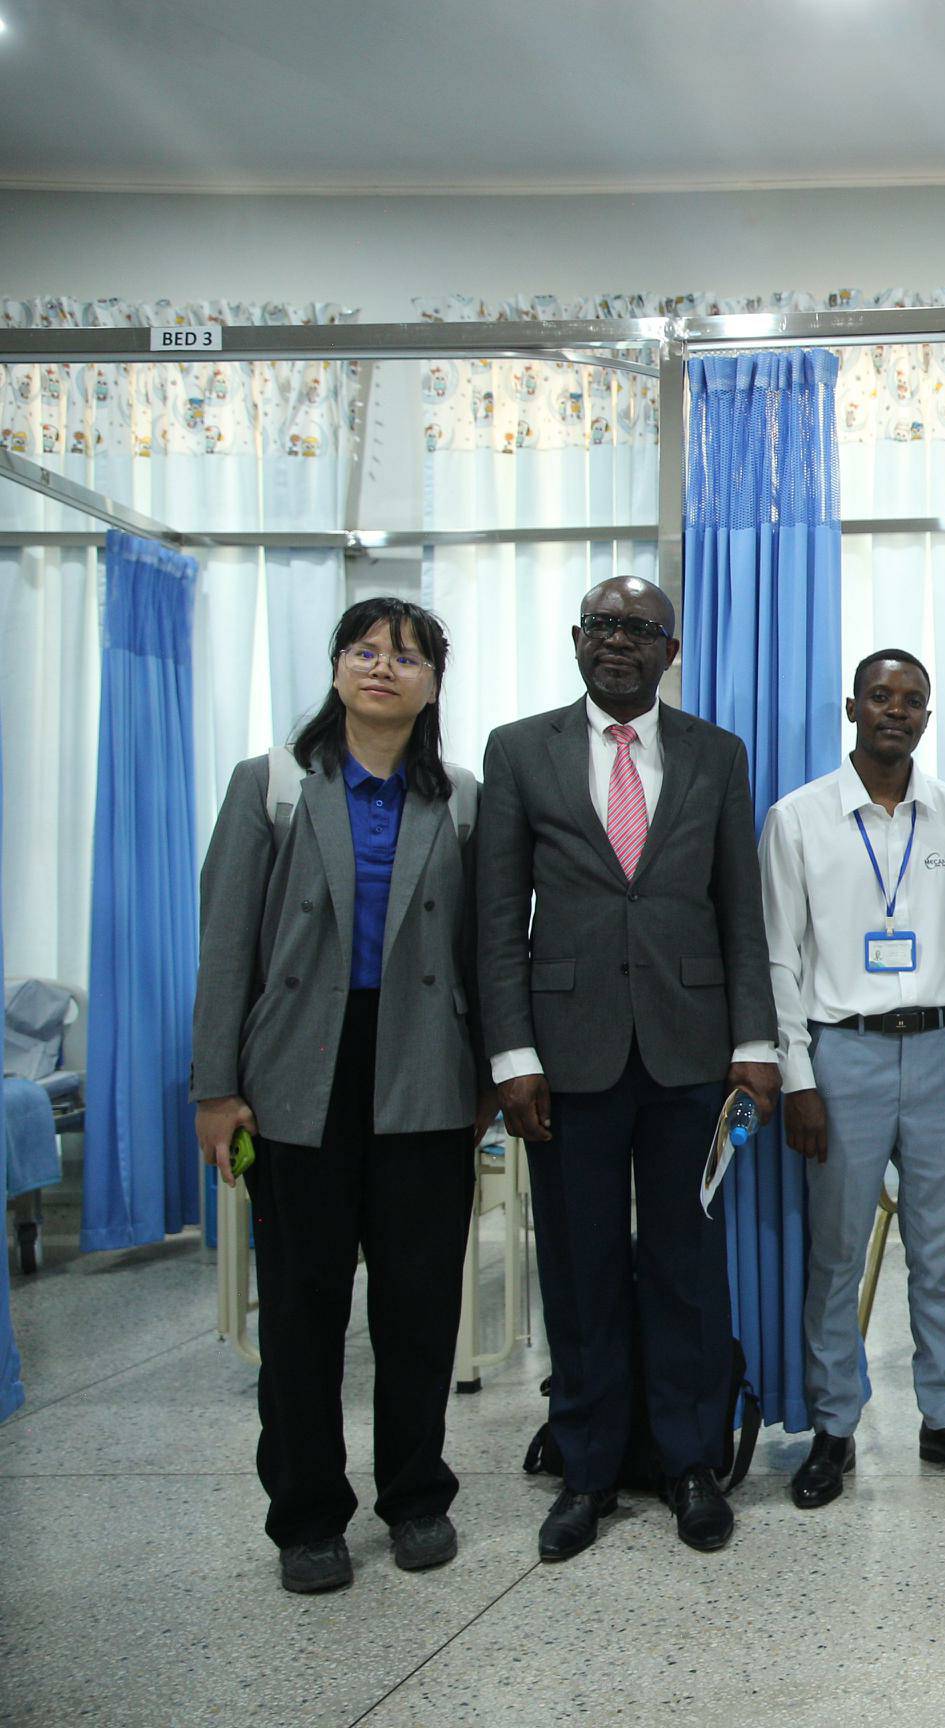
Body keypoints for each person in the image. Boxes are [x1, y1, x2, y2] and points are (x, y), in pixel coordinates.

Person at [477, 576, 781, 1562]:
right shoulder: (518, 751)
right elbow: (497, 921)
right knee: (581, 1267)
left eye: (640, 629)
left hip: (693, 1053)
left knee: (688, 1264)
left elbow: (740, 909)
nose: (619, 641)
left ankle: (691, 1461)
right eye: (603, 626)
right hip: (565, 1058)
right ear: (577, 639)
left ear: (670, 650)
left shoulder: (716, 754)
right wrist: (512, 1055)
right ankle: (589, 1468)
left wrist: (756, 1046)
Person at [192, 598, 489, 1594]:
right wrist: (215, 1088)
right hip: (297, 1075)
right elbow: (226, 945)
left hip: (424, 1072)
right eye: (364, 651)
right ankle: (308, 1515)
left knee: (419, 1304)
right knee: (303, 1307)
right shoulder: (272, 784)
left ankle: (417, 1499)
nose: (381, 669)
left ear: (433, 685)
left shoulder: (460, 797)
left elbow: (484, 949)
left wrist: (490, 1076)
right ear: (335, 668)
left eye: (405, 657)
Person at [761, 649, 945, 1503]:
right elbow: (778, 958)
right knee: (837, 1253)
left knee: (938, 1250)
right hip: (843, 1056)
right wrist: (798, 1076)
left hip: (940, 1053)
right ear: (852, 708)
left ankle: (944, 1418)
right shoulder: (798, 819)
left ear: (926, 718)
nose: (895, 711)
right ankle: (835, 1427)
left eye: (911, 700)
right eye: (879, 696)